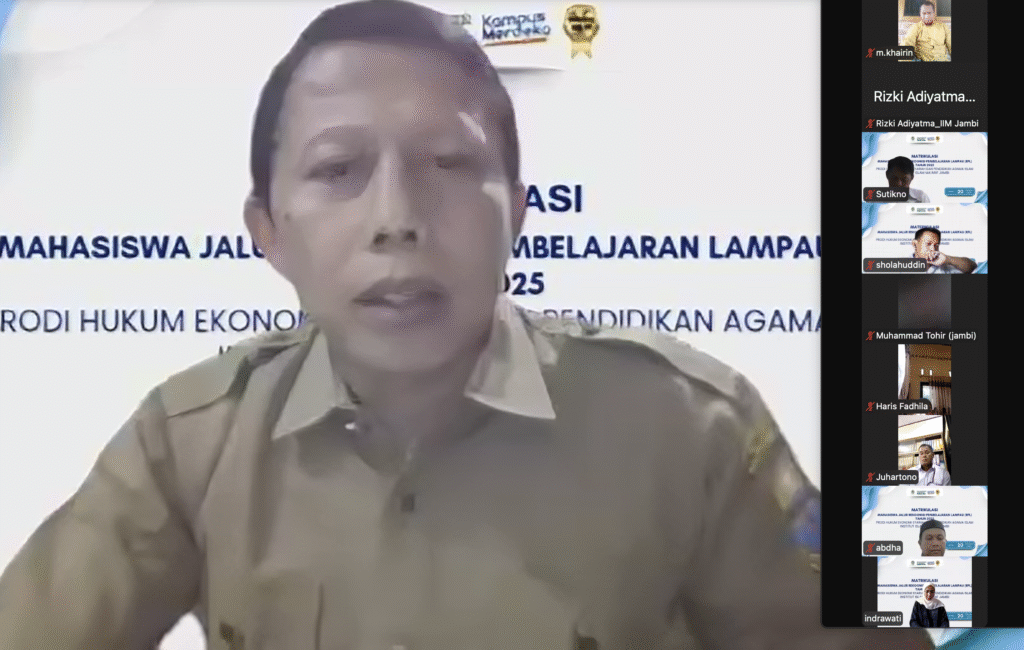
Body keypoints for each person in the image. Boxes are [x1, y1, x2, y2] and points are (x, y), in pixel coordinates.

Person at [0, 2, 933, 648]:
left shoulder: (692, 428)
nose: (397, 217)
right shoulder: (190, 443)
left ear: (517, 213)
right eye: (338, 170)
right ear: (269, 231)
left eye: (449, 163)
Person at [911, 227, 977, 274]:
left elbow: (972, 267)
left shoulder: (943, 266)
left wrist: (947, 259)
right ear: (914, 244)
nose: (933, 249)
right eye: (928, 244)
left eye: (936, 245)